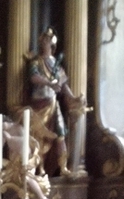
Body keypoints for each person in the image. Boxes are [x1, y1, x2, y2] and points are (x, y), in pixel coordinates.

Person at [27, 28, 83, 177]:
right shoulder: (36, 61)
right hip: (39, 103)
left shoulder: (56, 64)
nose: (45, 43)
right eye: (43, 40)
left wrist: (73, 98)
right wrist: (49, 83)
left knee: (60, 133)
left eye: (48, 40)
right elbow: (33, 77)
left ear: (52, 44)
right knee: (38, 136)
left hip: (52, 103)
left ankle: (63, 167)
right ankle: (38, 168)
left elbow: (63, 85)